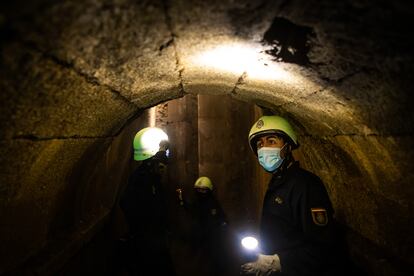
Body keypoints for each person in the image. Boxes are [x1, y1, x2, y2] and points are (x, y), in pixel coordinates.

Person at [240, 115, 343, 276]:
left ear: (287, 147)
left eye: (272, 141)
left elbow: (323, 248)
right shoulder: (278, 182)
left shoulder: (307, 185)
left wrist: (276, 263)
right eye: (260, 144)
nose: (264, 148)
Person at [119, 127, 175, 276]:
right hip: (148, 249)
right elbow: (129, 204)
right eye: (161, 159)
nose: (164, 166)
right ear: (151, 159)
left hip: (153, 244)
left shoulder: (150, 179)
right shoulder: (142, 180)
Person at [176, 176, 229, 276]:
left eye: (203, 190)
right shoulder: (197, 202)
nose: (201, 192)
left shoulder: (212, 202)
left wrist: (223, 223)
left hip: (212, 238)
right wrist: (181, 200)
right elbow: (191, 209)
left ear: (209, 190)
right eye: (198, 190)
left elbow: (221, 216)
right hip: (200, 236)